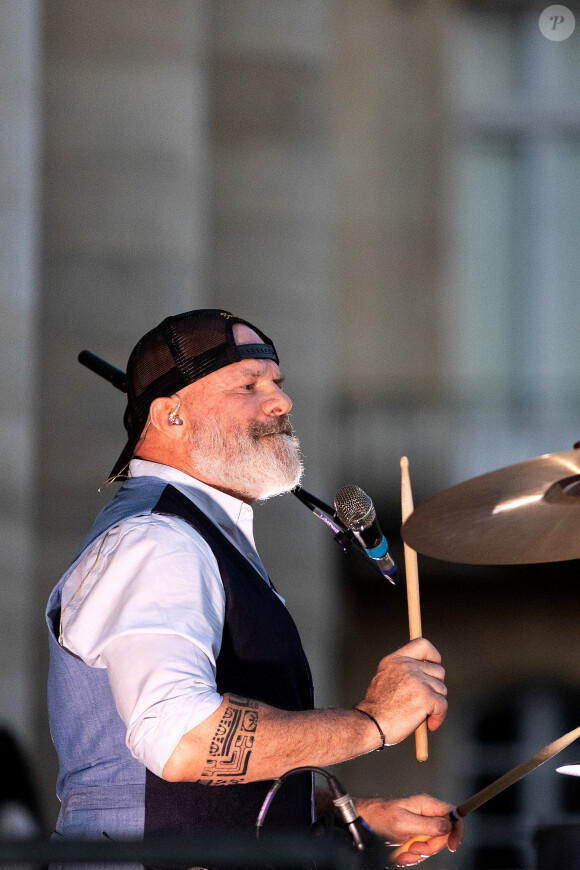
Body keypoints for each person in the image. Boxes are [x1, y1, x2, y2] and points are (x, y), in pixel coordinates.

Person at [46, 309, 463, 869]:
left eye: (278, 384)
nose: (281, 403)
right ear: (171, 417)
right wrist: (374, 721)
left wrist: (348, 816)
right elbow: (183, 740)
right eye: (248, 386)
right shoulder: (158, 540)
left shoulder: (194, 536)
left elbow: (213, 792)